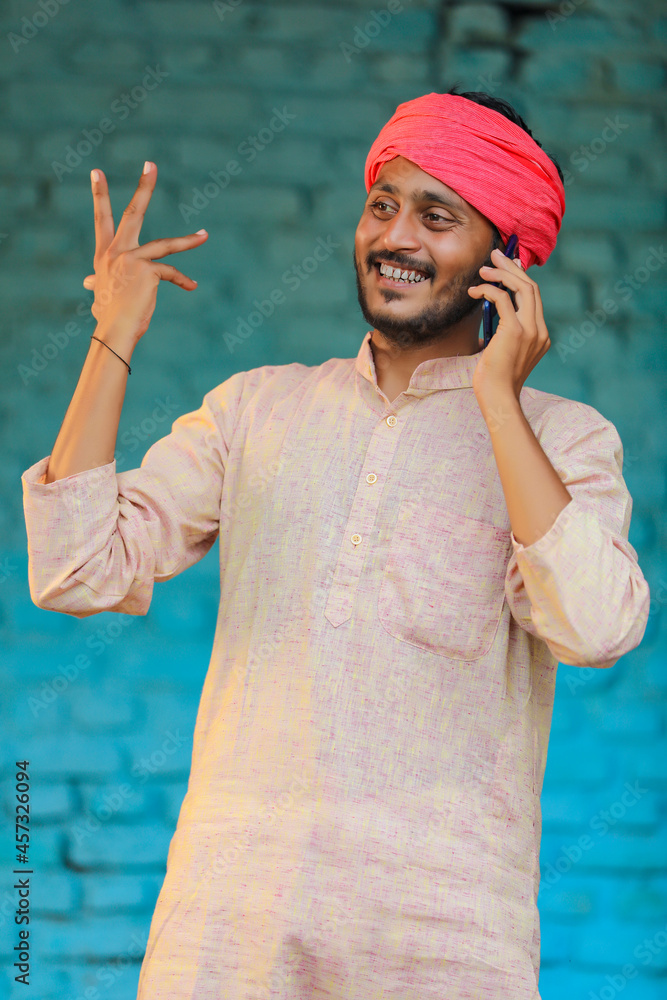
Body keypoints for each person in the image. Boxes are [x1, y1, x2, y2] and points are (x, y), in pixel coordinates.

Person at [21, 89, 650, 999]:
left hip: (446, 940)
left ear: (506, 260)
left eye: (438, 217)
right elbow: (77, 569)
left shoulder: (564, 441)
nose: (396, 236)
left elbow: (593, 629)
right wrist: (111, 336)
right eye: (382, 205)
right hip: (227, 930)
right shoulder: (255, 410)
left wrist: (499, 400)